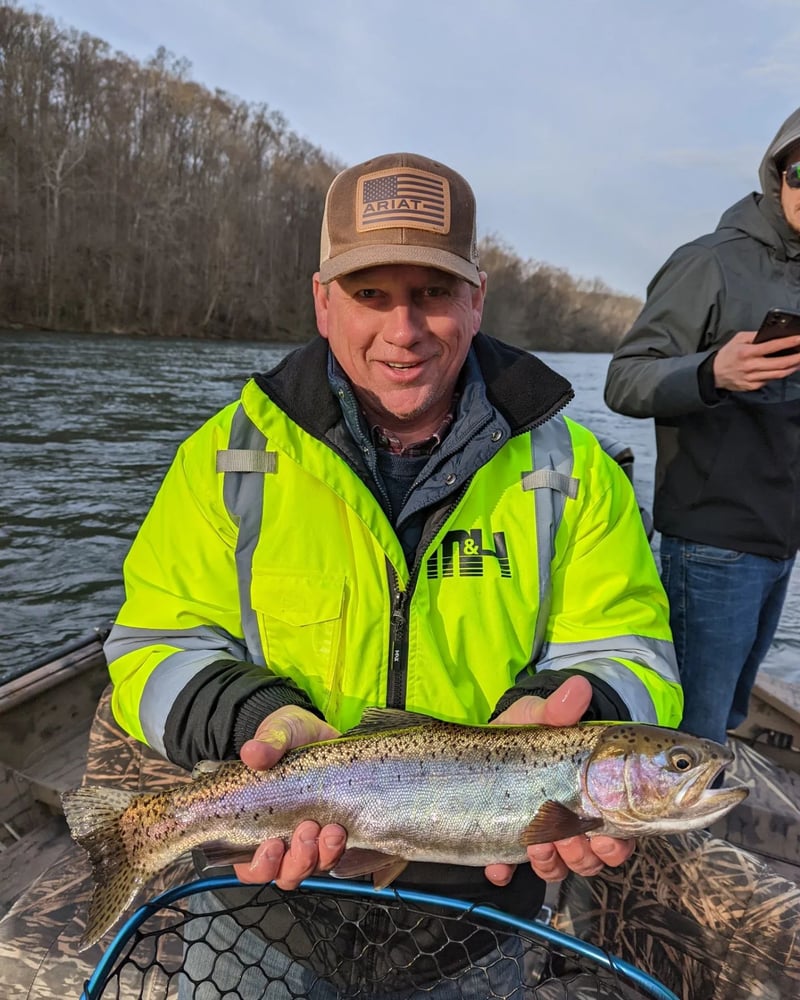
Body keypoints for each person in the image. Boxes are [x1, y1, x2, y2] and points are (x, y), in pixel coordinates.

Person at [104, 151, 682, 997]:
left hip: (482, 913)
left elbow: (634, 646)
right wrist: (259, 721)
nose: (403, 330)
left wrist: (585, 709)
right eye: (371, 294)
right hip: (264, 892)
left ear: (477, 299)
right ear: (322, 300)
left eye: (433, 294)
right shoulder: (225, 461)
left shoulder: (577, 470)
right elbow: (155, 644)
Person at [604, 107, 800, 749]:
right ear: (779, 175)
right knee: (689, 732)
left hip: (780, 542)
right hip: (714, 543)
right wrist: (715, 369)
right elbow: (625, 380)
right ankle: (670, 846)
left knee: (731, 714)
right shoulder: (708, 263)